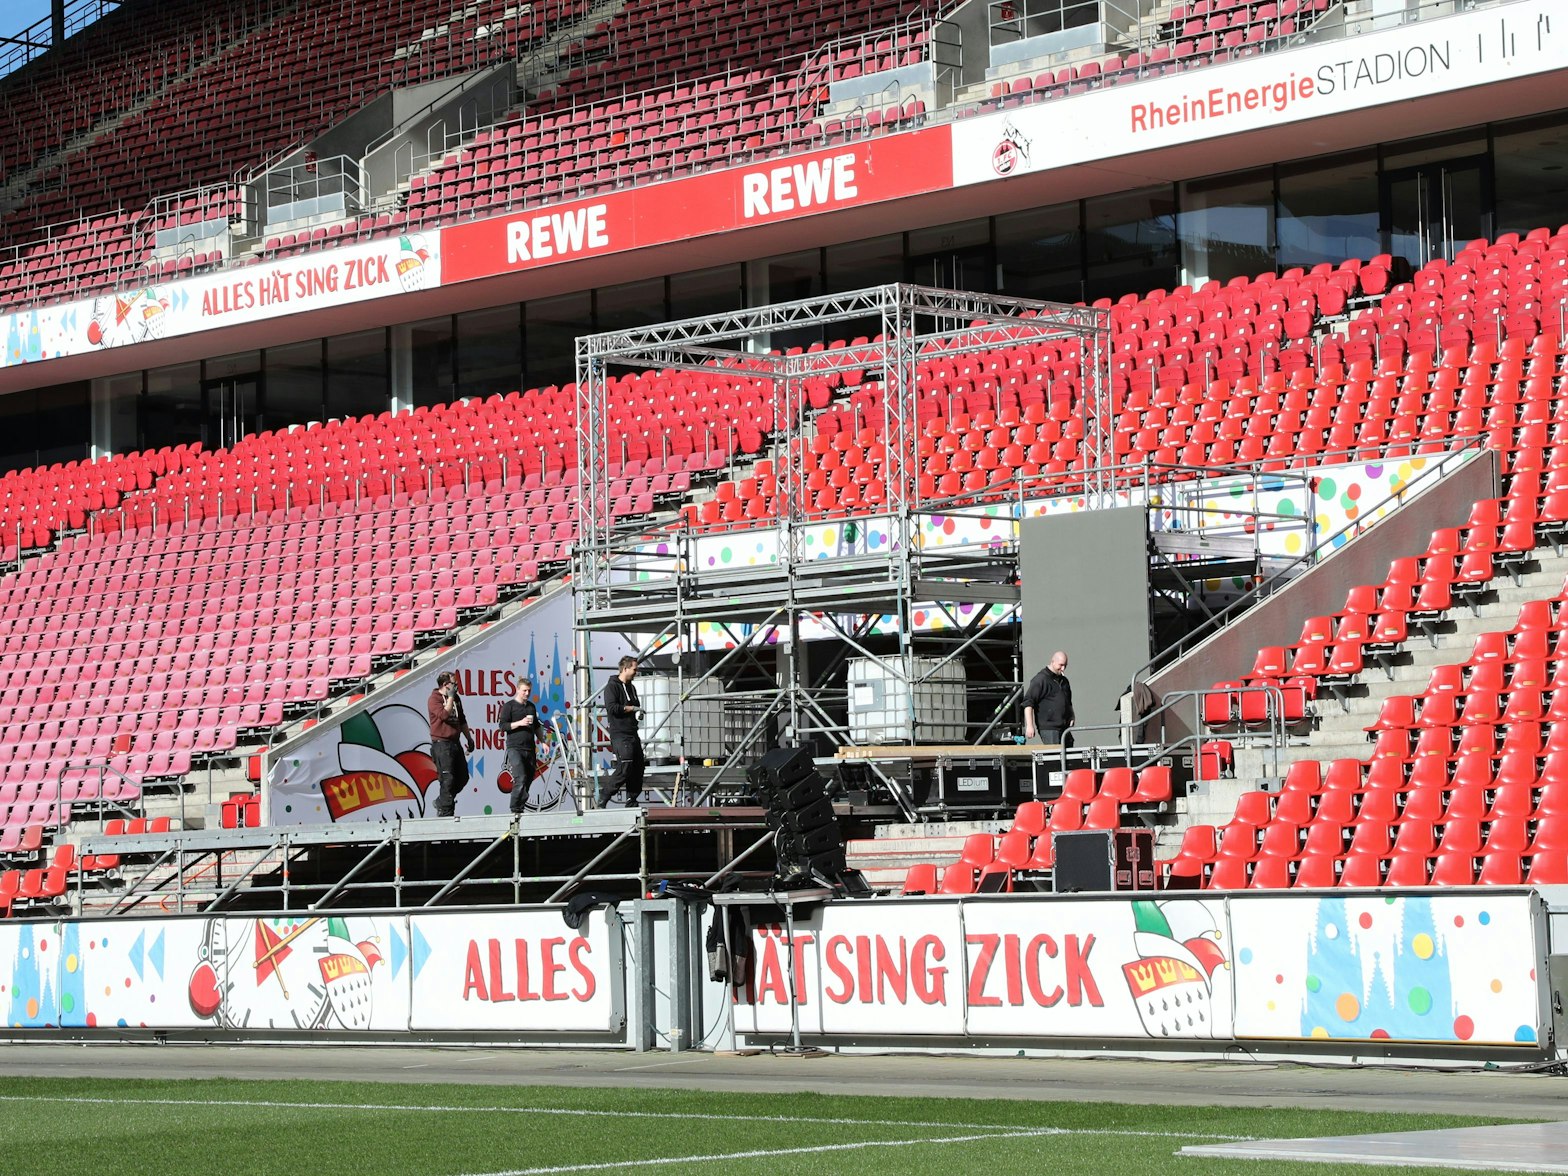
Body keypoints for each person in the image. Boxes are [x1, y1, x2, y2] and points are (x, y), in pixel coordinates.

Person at [599, 655, 645, 808]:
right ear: (625, 669)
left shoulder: (631, 687)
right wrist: (629, 708)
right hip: (620, 734)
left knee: (638, 766)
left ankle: (631, 800)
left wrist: (638, 712)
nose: (636, 672)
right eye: (634, 669)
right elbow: (612, 708)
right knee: (625, 764)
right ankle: (605, 794)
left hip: (632, 732)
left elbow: (635, 704)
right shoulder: (612, 686)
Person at [427, 671, 475, 817]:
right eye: (453, 684)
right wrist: (450, 697)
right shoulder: (434, 699)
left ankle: (442, 800)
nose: (456, 686)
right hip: (441, 744)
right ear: (445, 685)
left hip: (455, 742)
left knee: (463, 777)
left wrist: (469, 739)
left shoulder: (456, 698)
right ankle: (446, 812)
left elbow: (462, 719)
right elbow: (444, 715)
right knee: (448, 778)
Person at [496, 676, 540, 816]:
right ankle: (514, 809)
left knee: (528, 778)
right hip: (515, 748)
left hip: (530, 748)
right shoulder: (509, 706)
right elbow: (502, 726)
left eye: (529, 691)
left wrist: (543, 741)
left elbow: (537, 726)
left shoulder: (531, 706)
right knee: (520, 776)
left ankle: (520, 808)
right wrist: (519, 723)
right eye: (524, 691)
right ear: (517, 690)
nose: (527, 694)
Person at [1022, 651, 1074, 746]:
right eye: (1061, 665)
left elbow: (1068, 701)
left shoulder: (1064, 681)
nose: (1063, 669)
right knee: (1056, 756)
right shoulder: (1040, 679)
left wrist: (1071, 716)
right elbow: (1028, 703)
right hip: (1050, 728)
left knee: (1069, 757)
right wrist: (1029, 726)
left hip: (1064, 727)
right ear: (1052, 661)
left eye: (1065, 665)